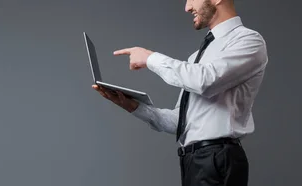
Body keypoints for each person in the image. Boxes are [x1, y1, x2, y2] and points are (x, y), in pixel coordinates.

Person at [92, 0, 268, 185]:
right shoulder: (196, 57)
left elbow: (205, 81)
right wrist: (132, 106)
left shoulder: (248, 40)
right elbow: (180, 123)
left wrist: (150, 58)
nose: (187, 7)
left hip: (218, 159)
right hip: (193, 161)